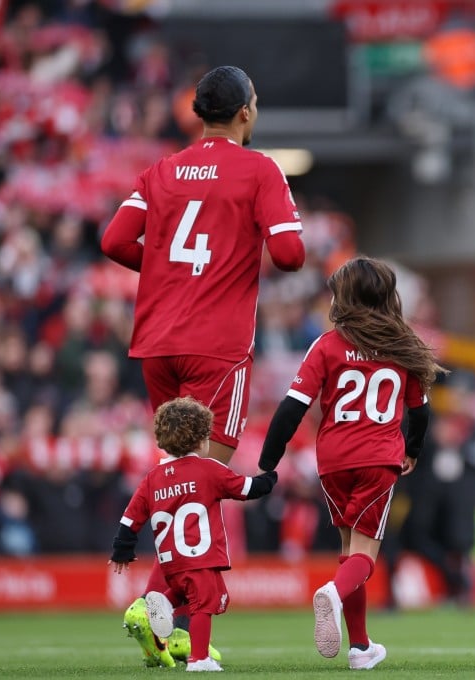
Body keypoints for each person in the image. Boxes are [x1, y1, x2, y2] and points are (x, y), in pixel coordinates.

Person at [100, 64, 305, 665]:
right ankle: (157, 609)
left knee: (174, 477)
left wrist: (167, 273)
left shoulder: (161, 170)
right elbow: (291, 255)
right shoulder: (260, 168)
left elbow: (114, 241)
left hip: (156, 342)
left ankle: (167, 627)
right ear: (246, 111)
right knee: (200, 485)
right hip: (215, 343)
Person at [256, 256, 444, 670]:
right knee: (365, 555)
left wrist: (269, 460)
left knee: (348, 550)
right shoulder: (403, 344)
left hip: (333, 460)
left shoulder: (327, 344)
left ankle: (360, 647)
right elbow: (421, 411)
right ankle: (332, 595)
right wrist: (412, 449)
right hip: (378, 457)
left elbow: (291, 408)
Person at [108, 397, 278, 672]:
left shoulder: (153, 477)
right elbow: (247, 489)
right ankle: (199, 659)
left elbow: (131, 518)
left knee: (193, 595)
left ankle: (161, 601)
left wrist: (122, 550)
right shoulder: (209, 470)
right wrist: (269, 477)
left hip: (170, 563)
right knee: (204, 605)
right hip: (199, 558)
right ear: (201, 441)